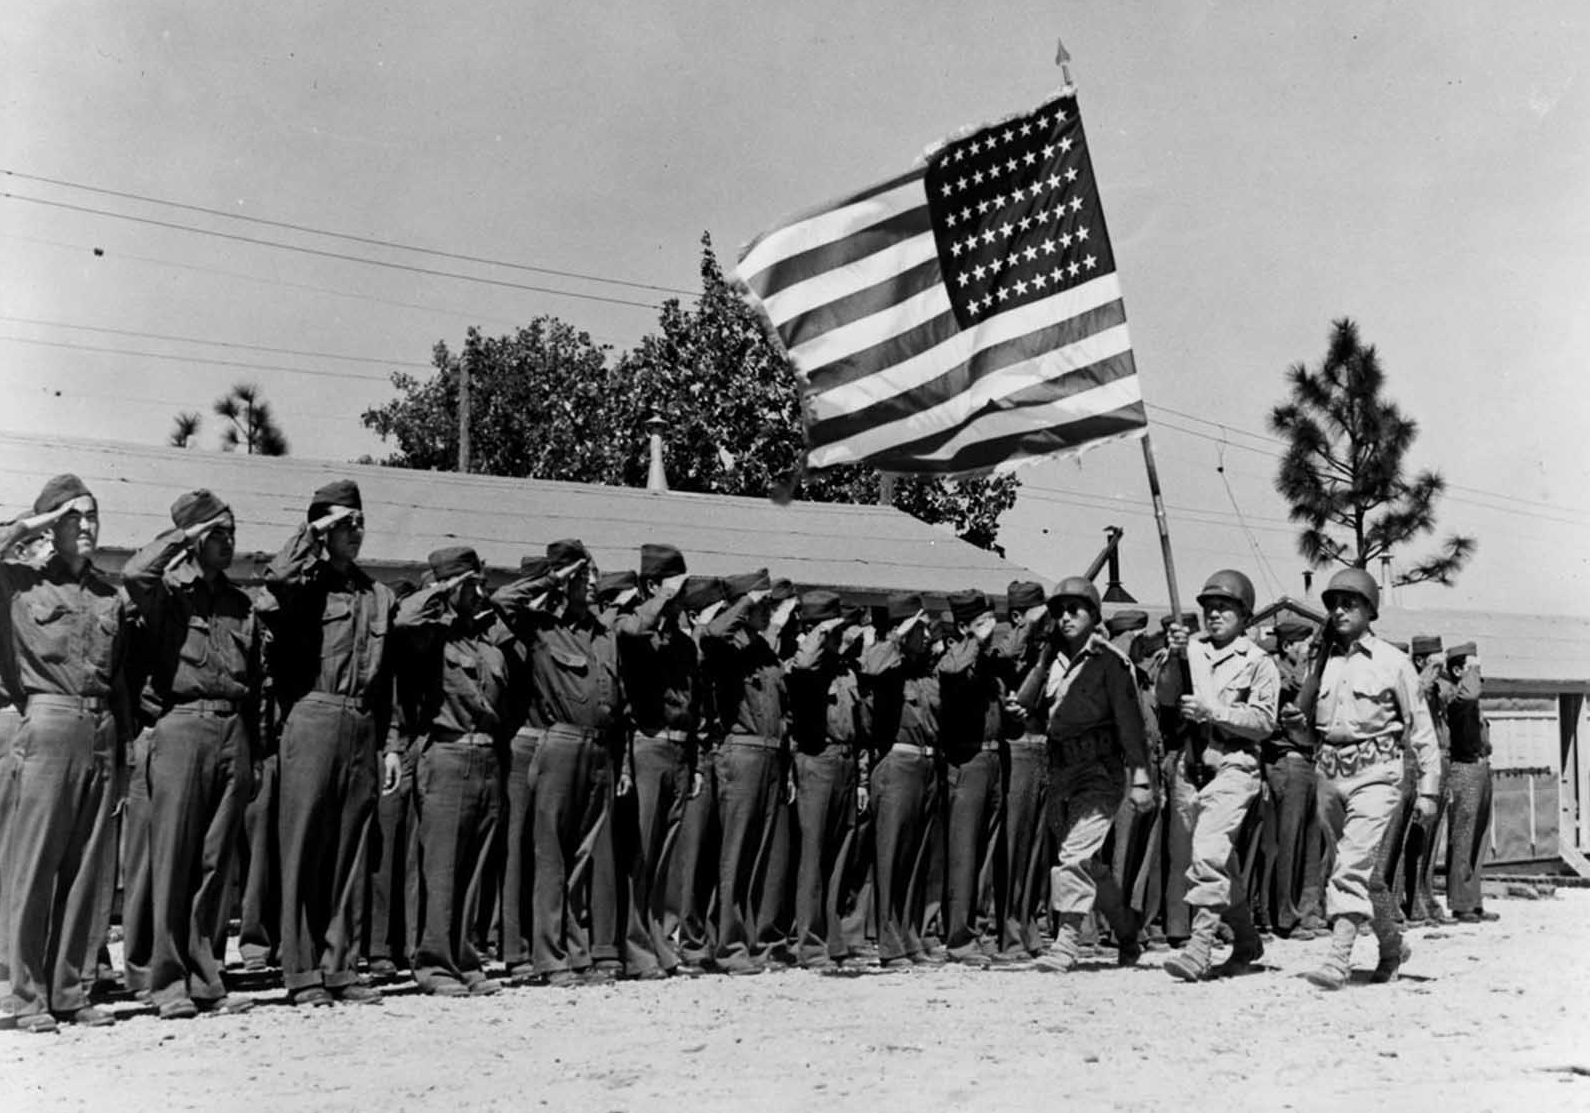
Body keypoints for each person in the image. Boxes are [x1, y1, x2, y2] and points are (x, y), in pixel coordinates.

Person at [120, 490, 261, 1019]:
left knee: (214, 864)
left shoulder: (241, 604)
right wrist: (183, 537)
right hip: (181, 726)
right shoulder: (168, 595)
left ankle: (206, 978)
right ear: (196, 538)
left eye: (231, 531)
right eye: (216, 533)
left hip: (232, 728)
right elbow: (135, 574)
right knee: (173, 862)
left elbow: (257, 679)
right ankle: (167, 982)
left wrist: (254, 749)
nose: (228, 541)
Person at [260, 479, 395, 1006]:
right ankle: (301, 971)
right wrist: (311, 532)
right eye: (344, 523)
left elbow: (387, 680)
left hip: (361, 720)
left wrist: (390, 742)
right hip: (312, 714)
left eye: (359, 522)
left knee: (349, 849)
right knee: (303, 846)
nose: (355, 532)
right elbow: (278, 578)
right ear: (324, 529)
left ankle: (340, 967)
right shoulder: (306, 585)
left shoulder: (376, 595)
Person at [0, 475, 128, 1031]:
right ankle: (26, 996)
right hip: (48, 719)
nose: (88, 526)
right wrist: (40, 520)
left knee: (86, 867)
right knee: (34, 864)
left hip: (100, 726)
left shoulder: (109, 595)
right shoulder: (20, 583)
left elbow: (121, 681)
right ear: (54, 526)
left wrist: (121, 755)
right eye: (77, 517)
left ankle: (70, 991)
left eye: (93, 515)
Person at [1285, 568, 1440, 990]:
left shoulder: (1393, 662)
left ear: (1370, 610)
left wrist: (1428, 791)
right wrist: (1297, 726)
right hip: (1329, 773)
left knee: (1350, 866)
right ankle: (1392, 946)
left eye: (1349, 603)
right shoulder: (1321, 663)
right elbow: (1309, 735)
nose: (1339, 611)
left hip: (1377, 774)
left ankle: (1338, 959)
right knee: (1359, 872)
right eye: (1334, 604)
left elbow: (1422, 728)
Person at [493, 539, 624, 985]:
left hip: (600, 746)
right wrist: (552, 578)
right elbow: (503, 601)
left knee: (582, 855)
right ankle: (549, 957)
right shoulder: (543, 628)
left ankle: (576, 951)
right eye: (583, 576)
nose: (593, 583)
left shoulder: (604, 635)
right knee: (550, 855)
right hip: (559, 742)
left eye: (594, 575)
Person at [1016, 577, 1154, 974]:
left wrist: (1141, 778)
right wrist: (1024, 711)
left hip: (1100, 770)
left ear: (1094, 615)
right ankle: (1126, 931)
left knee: (1073, 856)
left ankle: (1066, 943)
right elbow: (1042, 716)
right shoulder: (1051, 661)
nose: (1065, 617)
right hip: (1061, 770)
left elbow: (1131, 725)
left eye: (1075, 609)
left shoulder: (1111, 662)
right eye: (1059, 611)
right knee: (1087, 864)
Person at [393, 546, 512, 997]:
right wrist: (442, 588)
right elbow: (405, 620)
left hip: (486, 756)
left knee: (473, 866)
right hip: (446, 754)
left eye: (481, 583)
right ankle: (433, 964)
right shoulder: (431, 636)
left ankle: (464, 958)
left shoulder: (483, 638)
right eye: (472, 585)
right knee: (440, 868)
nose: (481, 592)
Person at [1158, 570, 1279, 981]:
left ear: (1244, 616)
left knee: (1208, 853)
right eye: (1209, 607)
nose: (1214, 614)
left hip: (1234, 762)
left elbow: (1263, 723)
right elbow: (1165, 697)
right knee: (1217, 860)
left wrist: (1214, 712)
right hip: (1191, 765)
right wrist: (1173, 657)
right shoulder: (1190, 650)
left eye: (1224, 608)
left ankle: (1200, 947)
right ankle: (1246, 939)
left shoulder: (1258, 663)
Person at [612, 543, 700, 979]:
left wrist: (694, 761)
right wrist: (662, 597)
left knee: (667, 855)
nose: (681, 597)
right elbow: (631, 632)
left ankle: (661, 943)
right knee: (642, 855)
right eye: (673, 588)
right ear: (651, 587)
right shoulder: (635, 628)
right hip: (646, 746)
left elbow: (694, 705)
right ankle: (636, 949)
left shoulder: (683, 643)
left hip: (679, 751)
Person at [700, 570, 793, 975]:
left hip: (771, 755)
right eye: (761, 604)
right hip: (741, 752)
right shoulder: (728, 645)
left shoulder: (763, 649)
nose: (767, 610)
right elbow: (712, 634)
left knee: (760, 855)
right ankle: (729, 946)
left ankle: (753, 941)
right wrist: (746, 602)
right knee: (734, 855)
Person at [858, 593, 942, 970]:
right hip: (896, 764)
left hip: (926, 766)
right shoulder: (886, 665)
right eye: (920, 629)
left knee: (915, 860)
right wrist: (897, 636)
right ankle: (889, 944)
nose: (927, 636)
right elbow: (871, 665)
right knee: (891, 858)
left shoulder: (926, 672)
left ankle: (909, 936)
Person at [783, 590, 864, 970]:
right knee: (813, 857)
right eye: (835, 630)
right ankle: (810, 944)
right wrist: (820, 631)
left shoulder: (845, 671)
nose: (842, 636)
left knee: (839, 855)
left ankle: (831, 939)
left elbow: (858, 728)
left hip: (845, 762)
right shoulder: (803, 667)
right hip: (817, 760)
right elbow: (803, 664)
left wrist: (862, 776)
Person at [934, 589, 1006, 967]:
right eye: (981, 623)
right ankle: (959, 939)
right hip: (967, 760)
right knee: (963, 855)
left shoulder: (985, 662)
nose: (990, 629)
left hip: (993, 759)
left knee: (986, 855)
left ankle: (978, 931)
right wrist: (975, 639)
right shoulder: (955, 657)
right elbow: (951, 670)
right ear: (964, 627)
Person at [991, 581, 1052, 963]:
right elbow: (1005, 656)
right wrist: (1028, 626)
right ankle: (1008, 934)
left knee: (1035, 851)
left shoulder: (1046, 650)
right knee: (1013, 849)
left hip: (1043, 750)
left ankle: (1028, 926)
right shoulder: (1005, 643)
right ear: (1017, 615)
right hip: (1017, 752)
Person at [1262, 619, 1327, 939]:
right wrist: (1308, 665)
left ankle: (1308, 910)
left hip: (1309, 761)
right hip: (1286, 760)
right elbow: (1297, 691)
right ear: (1287, 646)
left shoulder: (1304, 673)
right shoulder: (1277, 675)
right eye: (1304, 644)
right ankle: (1286, 917)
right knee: (1289, 842)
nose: (1309, 650)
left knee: (1310, 843)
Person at [1442, 642, 1494, 923]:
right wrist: (1472, 669)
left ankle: (1473, 900)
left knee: (1479, 838)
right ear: (1457, 670)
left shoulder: (1469, 697)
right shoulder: (1456, 696)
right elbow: (1470, 693)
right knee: (1463, 837)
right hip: (1464, 769)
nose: (1478, 672)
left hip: (1481, 767)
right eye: (1472, 666)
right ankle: (1461, 903)